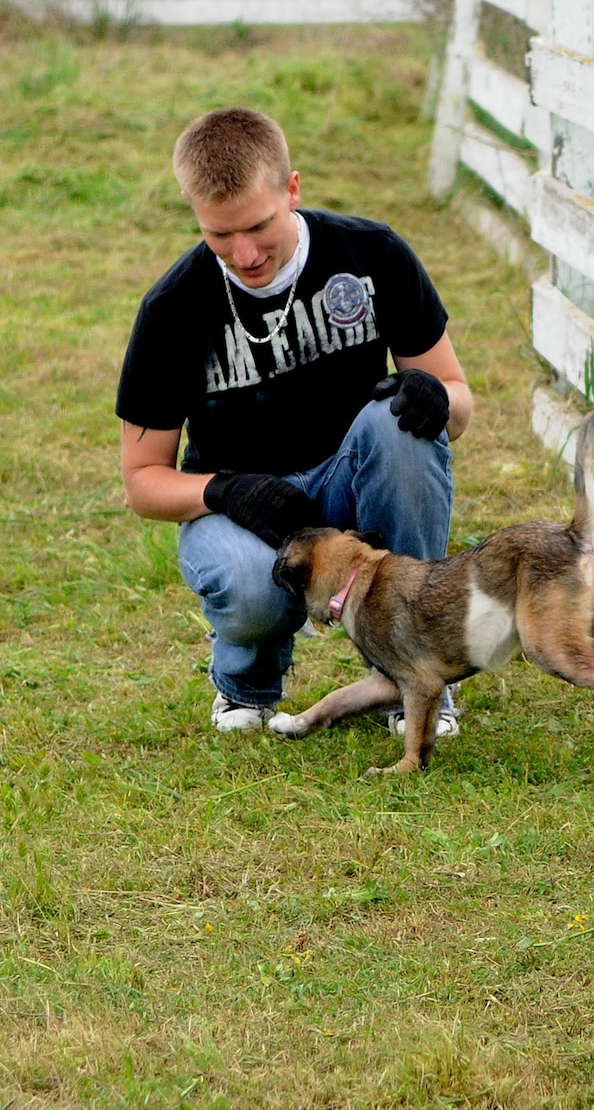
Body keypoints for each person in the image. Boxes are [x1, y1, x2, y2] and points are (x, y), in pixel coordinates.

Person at [115, 107, 474, 733]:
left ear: (293, 189)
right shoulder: (172, 309)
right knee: (251, 588)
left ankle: (413, 679)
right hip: (246, 510)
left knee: (399, 425)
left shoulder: (371, 253)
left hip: (355, 481)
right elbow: (142, 482)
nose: (244, 253)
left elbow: (457, 401)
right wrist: (225, 488)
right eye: (218, 236)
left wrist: (437, 400)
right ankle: (246, 685)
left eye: (258, 226)